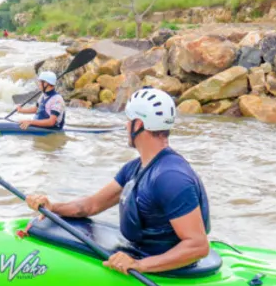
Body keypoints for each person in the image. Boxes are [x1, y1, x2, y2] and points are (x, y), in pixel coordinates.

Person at [24, 87, 211, 274]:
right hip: (141, 250)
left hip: (166, 268)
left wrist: (139, 266)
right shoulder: (136, 167)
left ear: (138, 125)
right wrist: (53, 207)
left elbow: (198, 246)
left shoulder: (171, 178)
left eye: (128, 121)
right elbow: (91, 205)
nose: (125, 126)